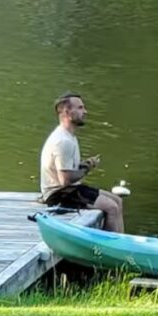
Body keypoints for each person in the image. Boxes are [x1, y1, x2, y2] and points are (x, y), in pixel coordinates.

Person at [39, 92, 124, 233]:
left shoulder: (69, 136)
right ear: (67, 112)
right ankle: (109, 249)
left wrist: (84, 165)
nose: (85, 111)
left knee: (117, 201)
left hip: (70, 189)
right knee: (111, 207)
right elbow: (65, 180)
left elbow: (67, 170)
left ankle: (122, 243)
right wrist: (86, 169)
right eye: (80, 108)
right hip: (59, 194)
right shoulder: (63, 141)